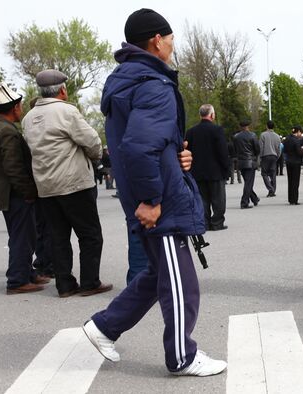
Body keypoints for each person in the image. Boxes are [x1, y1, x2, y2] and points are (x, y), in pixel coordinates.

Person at [83, 8, 227, 376]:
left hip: (153, 192)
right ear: (156, 41)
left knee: (157, 276)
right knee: (183, 284)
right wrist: (152, 200)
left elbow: (146, 143)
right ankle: (182, 355)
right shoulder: (154, 84)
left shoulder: (130, 80)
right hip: (158, 201)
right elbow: (137, 147)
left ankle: (103, 327)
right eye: (171, 39)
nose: (173, 46)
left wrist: (179, 156)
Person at [22, 69, 112, 298]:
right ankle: (90, 282)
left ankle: (65, 285)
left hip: (46, 187)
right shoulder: (67, 111)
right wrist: (94, 157)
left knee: (58, 236)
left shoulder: (28, 118)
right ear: (62, 90)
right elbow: (91, 141)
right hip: (74, 183)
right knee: (90, 234)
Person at [0, 82, 49, 294]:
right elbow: (13, 167)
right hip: (17, 194)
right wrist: (29, 192)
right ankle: (17, 281)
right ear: (15, 107)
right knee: (22, 237)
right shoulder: (7, 132)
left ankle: (26, 273)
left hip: (6, 192)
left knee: (23, 235)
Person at [185, 104, 229, 231]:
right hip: (215, 171)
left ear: (200, 115)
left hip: (197, 171)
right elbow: (222, 152)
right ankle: (217, 222)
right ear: (212, 115)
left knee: (202, 199)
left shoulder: (191, 132)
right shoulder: (217, 130)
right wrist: (226, 168)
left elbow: (187, 151)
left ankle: (204, 222)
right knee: (218, 199)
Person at [233, 120, 260, 209]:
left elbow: (235, 149)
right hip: (250, 161)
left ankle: (254, 198)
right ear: (248, 126)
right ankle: (244, 202)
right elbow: (257, 149)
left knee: (247, 182)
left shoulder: (236, 137)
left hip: (241, 162)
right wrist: (255, 157)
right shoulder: (252, 135)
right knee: (249, 183)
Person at [283, 126, 303, 205]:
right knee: (295, 181)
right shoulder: (296, 141)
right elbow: (299, 152)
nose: (301, 134)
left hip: (288, 161)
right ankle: (294, 199)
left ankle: (290, 198)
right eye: (300, 132)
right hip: (296, 162)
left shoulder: (287, 139)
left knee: (290, 180)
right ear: (298, 131)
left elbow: (284, 150)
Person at [259, 120, 281, 197]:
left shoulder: (263, 135)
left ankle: (270, 189)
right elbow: (279, 148)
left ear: (266, 126)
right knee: (273, 174)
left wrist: (260, 157)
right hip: (274, 156)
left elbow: (261, 147)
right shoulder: (277, 136)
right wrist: (277, 156)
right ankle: (273, 190)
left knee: (264, 173)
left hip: (265, 155)